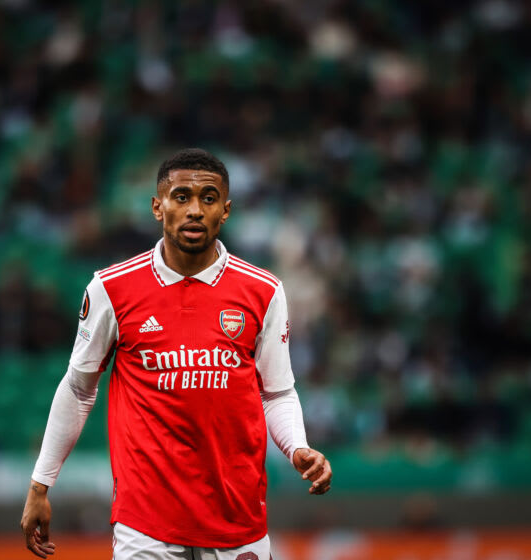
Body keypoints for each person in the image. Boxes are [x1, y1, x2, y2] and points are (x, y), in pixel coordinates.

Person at [20, 148, 332, 559]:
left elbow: (276, 392)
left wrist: (297, 446)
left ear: (226, 210)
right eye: (181, 196)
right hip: (145, 524)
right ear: (157, 206)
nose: (195, 210)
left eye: (208, 198)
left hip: (237, 519)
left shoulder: (264, 291)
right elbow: (79, 389)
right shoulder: (111, 289)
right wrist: (40, 484)